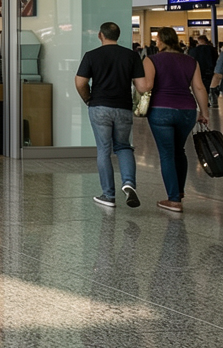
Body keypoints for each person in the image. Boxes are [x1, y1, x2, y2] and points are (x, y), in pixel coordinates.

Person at [135, 27, 209, 213]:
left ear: (160, 41)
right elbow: (199, 88)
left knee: (167, 154)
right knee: (179, 151)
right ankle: (179, 191)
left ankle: (174, 200)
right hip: (187, 111)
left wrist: (136, 82)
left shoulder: (152, 59)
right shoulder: (191, 61)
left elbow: (146, 86)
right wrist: (204, 112)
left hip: (161, 110)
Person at [75, 22, 143, 208]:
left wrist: (88, 99)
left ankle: (108, 195)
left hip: (99, 106)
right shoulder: (131, 56)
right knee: (123, 146)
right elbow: (142, 86)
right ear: (118, 35)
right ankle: (129, 183)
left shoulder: (92, 55)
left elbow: (80, 82)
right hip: (123, 107)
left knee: (104, 150)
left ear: (100, 35)